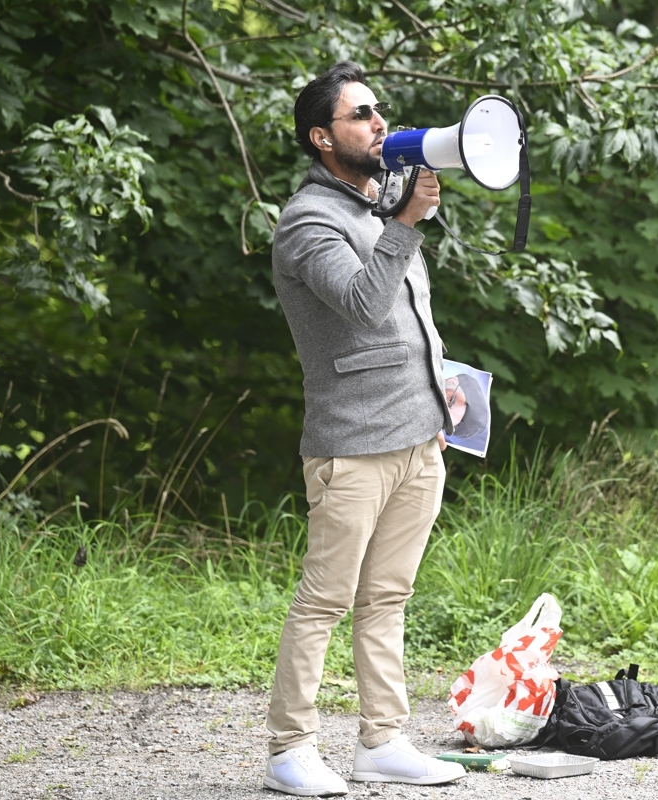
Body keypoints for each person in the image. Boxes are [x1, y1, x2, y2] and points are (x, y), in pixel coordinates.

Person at [262, 61, 466, 797]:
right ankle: (290, 750)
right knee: (324, 600)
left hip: (419, 440)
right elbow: (359, 306)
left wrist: (440, 394)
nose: (381, 123)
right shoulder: (308, 220)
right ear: (323, 138)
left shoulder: (379, 209)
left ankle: (381, 741)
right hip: (351, 449)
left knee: (387, 599)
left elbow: (412, 322)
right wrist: (407, 223)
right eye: (361, 115)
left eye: (379, 111)